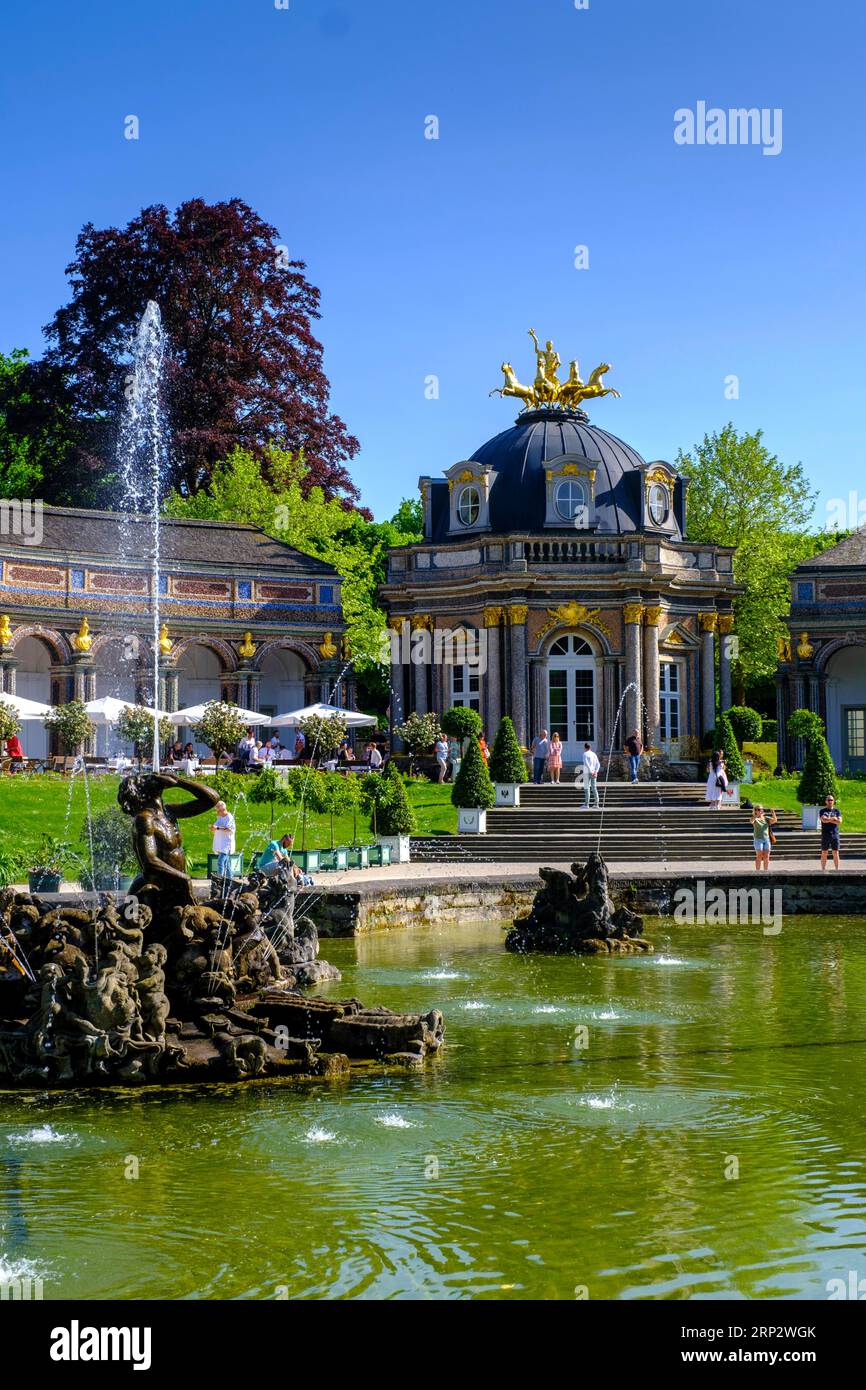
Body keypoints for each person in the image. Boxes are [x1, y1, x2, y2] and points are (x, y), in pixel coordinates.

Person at [210, 800, 236, 879]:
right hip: (220, 844)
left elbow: (229, 829)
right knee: (226, 864)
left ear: (222, 810)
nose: (217, 813)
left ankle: (219, 879)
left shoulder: (229, 817)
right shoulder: (219, 817)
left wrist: (217, 828)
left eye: (218, 811)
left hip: (226, 844)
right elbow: (216, 826)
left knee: (220, 862)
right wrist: (212, 828)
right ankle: (230, 878)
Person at [750, 803, 778, 871]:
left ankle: (766, 871)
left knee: (766, 856)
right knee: (759, 855)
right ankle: (758, 872)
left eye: (761, 809)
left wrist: (773, 813)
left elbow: (775, 820)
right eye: (758, 809)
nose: (760, 810)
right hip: (758, 839)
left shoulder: (766, 818)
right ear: (755, 810)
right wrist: (756, 815)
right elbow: (751, 821)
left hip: (766, 839)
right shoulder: (755, 819)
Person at [819, 795, 842, 870]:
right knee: (824, 853)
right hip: (825, 835)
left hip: (835, 835)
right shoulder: (822, 811)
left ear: (833, 801)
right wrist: (833, 819)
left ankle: (837, 869)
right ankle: (823, 869)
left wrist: (828, 819)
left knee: (835, 853)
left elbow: (839, 821)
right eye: (828, 800)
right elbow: (823, 820)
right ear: (826, 801)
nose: (830, 801)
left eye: (831, 800)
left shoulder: (837, 811)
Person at [581, 741, 600, 808]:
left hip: (587, 772)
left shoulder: (585, 754)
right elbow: (598, 764)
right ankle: (596, 804)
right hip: (594, 772)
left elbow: (586, 764)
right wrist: (596, 771)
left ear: (585, 747)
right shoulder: (594, 754)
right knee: (594, 788)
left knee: (587, 788)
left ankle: (586, 804)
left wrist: (591, 771)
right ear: (590, 747)